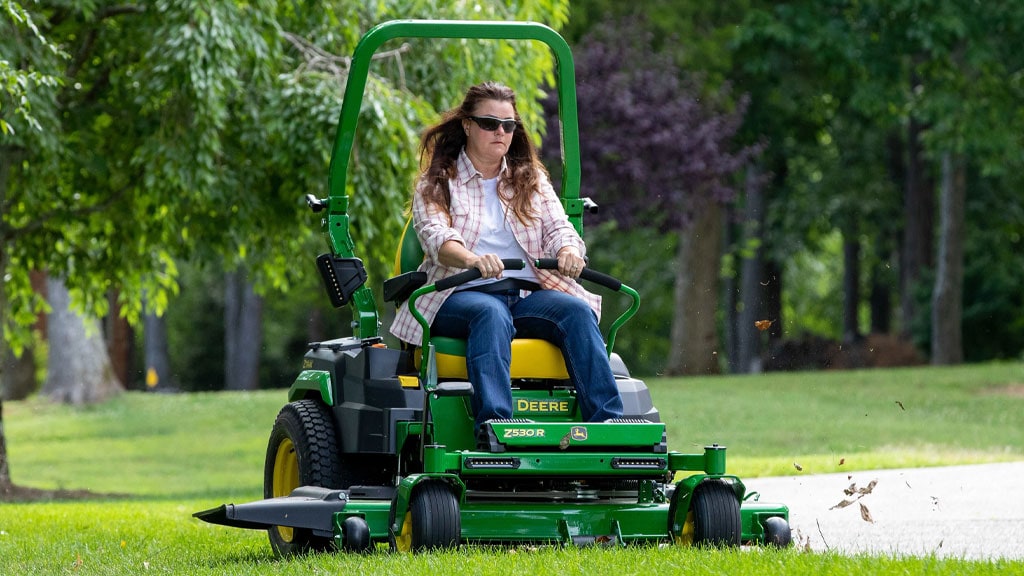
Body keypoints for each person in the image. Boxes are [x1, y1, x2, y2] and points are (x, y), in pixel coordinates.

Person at [390, 81, 623, 435]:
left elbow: (558, 227)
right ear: (467, 125)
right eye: (489, 123)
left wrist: (569, 251)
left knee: (575, 311)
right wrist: (471, 259)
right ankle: (497, 425)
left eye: (508, 125)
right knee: (490, 312)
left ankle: (609, 425)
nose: (500, 132)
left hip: (524, 294)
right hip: (454, 295)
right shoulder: (437, 183)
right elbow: (438, 238)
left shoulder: (530, 180)